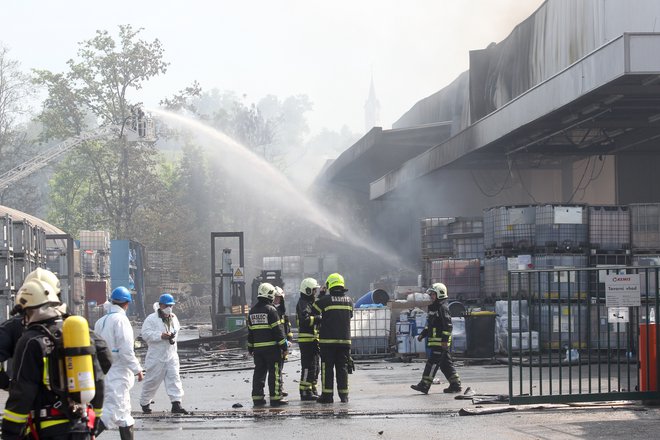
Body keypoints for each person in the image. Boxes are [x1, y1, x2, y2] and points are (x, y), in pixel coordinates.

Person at [2, 278, 106, 440]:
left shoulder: (31, 340)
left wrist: (10, 433)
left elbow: (23, 393)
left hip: (48, 429)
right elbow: (98, 381)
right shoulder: (77, 334)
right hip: (81, 426)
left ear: (29, 310)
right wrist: (94, 423)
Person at [94, 287, 144, 440]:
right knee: (111, 412)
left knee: (123, 413)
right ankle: (86, 436)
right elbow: (126, 350)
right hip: (118, 373)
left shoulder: (100, 321)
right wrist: (137, 369)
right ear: (127, 304)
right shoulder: (121, 320)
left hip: (104, 371)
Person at [139, 293, 188, 414]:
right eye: (167, 305)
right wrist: (160, 336)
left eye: (171, 305)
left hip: (171, 355)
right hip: (156, 356)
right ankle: (145, 403)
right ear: (160, 305)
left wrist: (171, 337)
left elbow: (176, 330)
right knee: (152, 381)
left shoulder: (173, 317)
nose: (169, 308)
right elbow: (145, 334)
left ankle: (176, 403)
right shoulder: (151, 319)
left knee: (174, 379)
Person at [411, 282, 462, 394]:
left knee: (432, 363)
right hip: (436, 342)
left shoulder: (443, 308)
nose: (431, 296)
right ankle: (455, 384)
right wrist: (423, 334)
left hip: (440, 343)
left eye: (433, 294)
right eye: (431, 294)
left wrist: (444, 340)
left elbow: (448, 326)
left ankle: (424, 385)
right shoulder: (434, 308)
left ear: (440, 294)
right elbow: (430, 325)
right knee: (445, 365)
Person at [313, 273, 353, 404]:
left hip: (328, 342)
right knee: (342, 369)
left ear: (330, 285)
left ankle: (327, 396)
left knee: (327, 369)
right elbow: (350, 316)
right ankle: (344, 396)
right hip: (345, 342)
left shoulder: (325, 300)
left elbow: (313, 310)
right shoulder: (349, 300)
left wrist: (321, 294)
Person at [247, 282, 288, 407]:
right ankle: (276, 398)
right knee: (274, 373)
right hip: (272, 349)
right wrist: (284, 347)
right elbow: (278, 330)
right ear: (270, 294)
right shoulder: (271, 310)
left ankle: (257, 398)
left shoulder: (252, 311)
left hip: (258, 350)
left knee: (259, 372)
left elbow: (250, 332)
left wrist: (250, 347)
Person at [296, 277, 321, 401]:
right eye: (314, 290)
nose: (315, 293)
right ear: (308, 291)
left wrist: (322, 295)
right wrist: (318, 318)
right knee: (308, 367)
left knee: (315, 367)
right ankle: (305, 391)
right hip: (306, 341)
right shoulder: (303, 304)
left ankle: (312, 388)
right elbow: (305, 320)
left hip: (313, 340)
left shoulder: (309, 303)